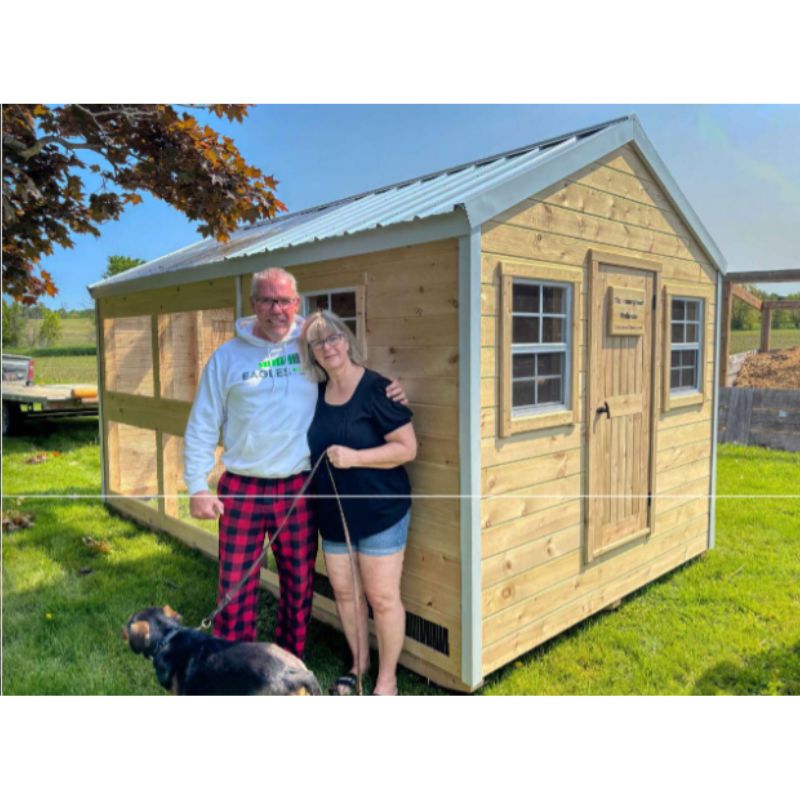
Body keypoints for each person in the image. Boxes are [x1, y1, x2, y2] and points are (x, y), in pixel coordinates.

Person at [183, 267, 405, 661]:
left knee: (299, 584)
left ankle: (287, 664)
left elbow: (347, 374)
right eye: (267, 300)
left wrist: (390, 389)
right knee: (235, 583)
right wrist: (197, 485)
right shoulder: (227, 357)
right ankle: (236, 663)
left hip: (300, 487)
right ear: (253, 305)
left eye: (285, 300)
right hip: (243, 486)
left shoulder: (310, 347)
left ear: (296, 303)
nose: (277, 309)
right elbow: (202, 421)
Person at [300, 310, 417, 696]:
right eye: (318, 342)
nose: (328, 346)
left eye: (333, 337)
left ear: (347, 340)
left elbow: (407, 448)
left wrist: (356, 458)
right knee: (347, 594)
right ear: (312, 353)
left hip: (380, 511)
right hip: (333, 514)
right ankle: (359, 664)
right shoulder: (314, 393)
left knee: (382, 598)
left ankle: (386, 680)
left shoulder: (377, 388)